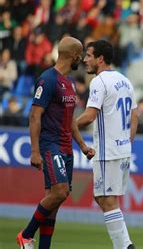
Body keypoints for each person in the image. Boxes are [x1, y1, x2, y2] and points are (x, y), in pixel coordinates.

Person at [16, 36, 95, 249]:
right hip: (51, 145)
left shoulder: (68, 83)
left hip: (67, 147)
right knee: (60, 192)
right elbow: (35, 116)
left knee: (54, 202)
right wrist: (35, 151)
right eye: (80, 54)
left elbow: (70, 122)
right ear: (73, 55)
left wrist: (83, 146)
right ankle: (25, 234)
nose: (81, 58)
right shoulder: (47, 79)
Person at [76, 40, 138, 249]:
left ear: (100, 59)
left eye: (89, 56)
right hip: (122, 149)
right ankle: (126, 244)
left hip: (107, 151)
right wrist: (127, 141)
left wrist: (67, 126)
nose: (85, 59)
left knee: (107, 199)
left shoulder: (99, 82)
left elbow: (89, 116)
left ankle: (124, 247)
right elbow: (135, 115)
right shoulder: (125, 81)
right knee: (106, 198)